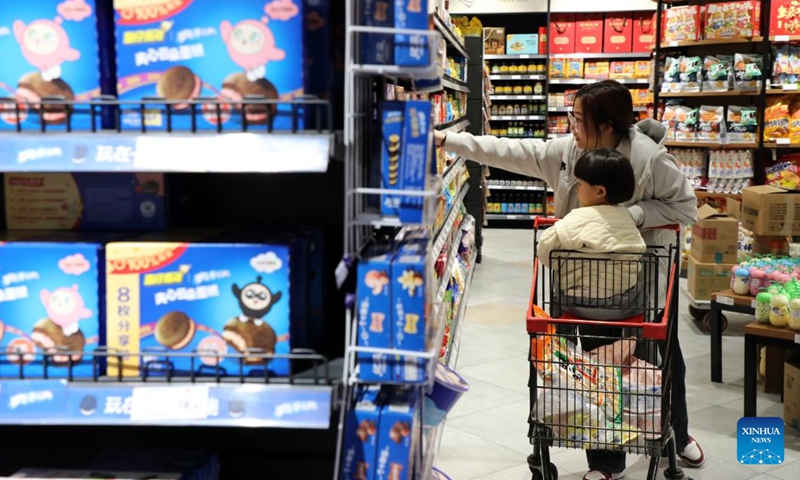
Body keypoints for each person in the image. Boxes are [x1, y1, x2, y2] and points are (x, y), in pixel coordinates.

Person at [434, 80, 704, 480]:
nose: (570, 124)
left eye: (578, 118)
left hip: (642, 277)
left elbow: (686, 208)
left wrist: (631, 217)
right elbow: (514, 151)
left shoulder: (649, 159)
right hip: (582, 279)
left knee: (660, 360)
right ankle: (607, 460)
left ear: (607, 125)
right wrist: (450, 141)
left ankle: (674, 434)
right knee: (594, 365)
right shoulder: (568, 152)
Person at [537, 148, 646, 315]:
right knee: (638, 286)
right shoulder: (628, 219)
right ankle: (630, 339)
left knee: (558, 285)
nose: (576, 189)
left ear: (600, 191)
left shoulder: (576, 218)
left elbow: (545, 252)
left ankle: (565, 337)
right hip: (623, 303)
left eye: (580, 184)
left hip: (576, 301)